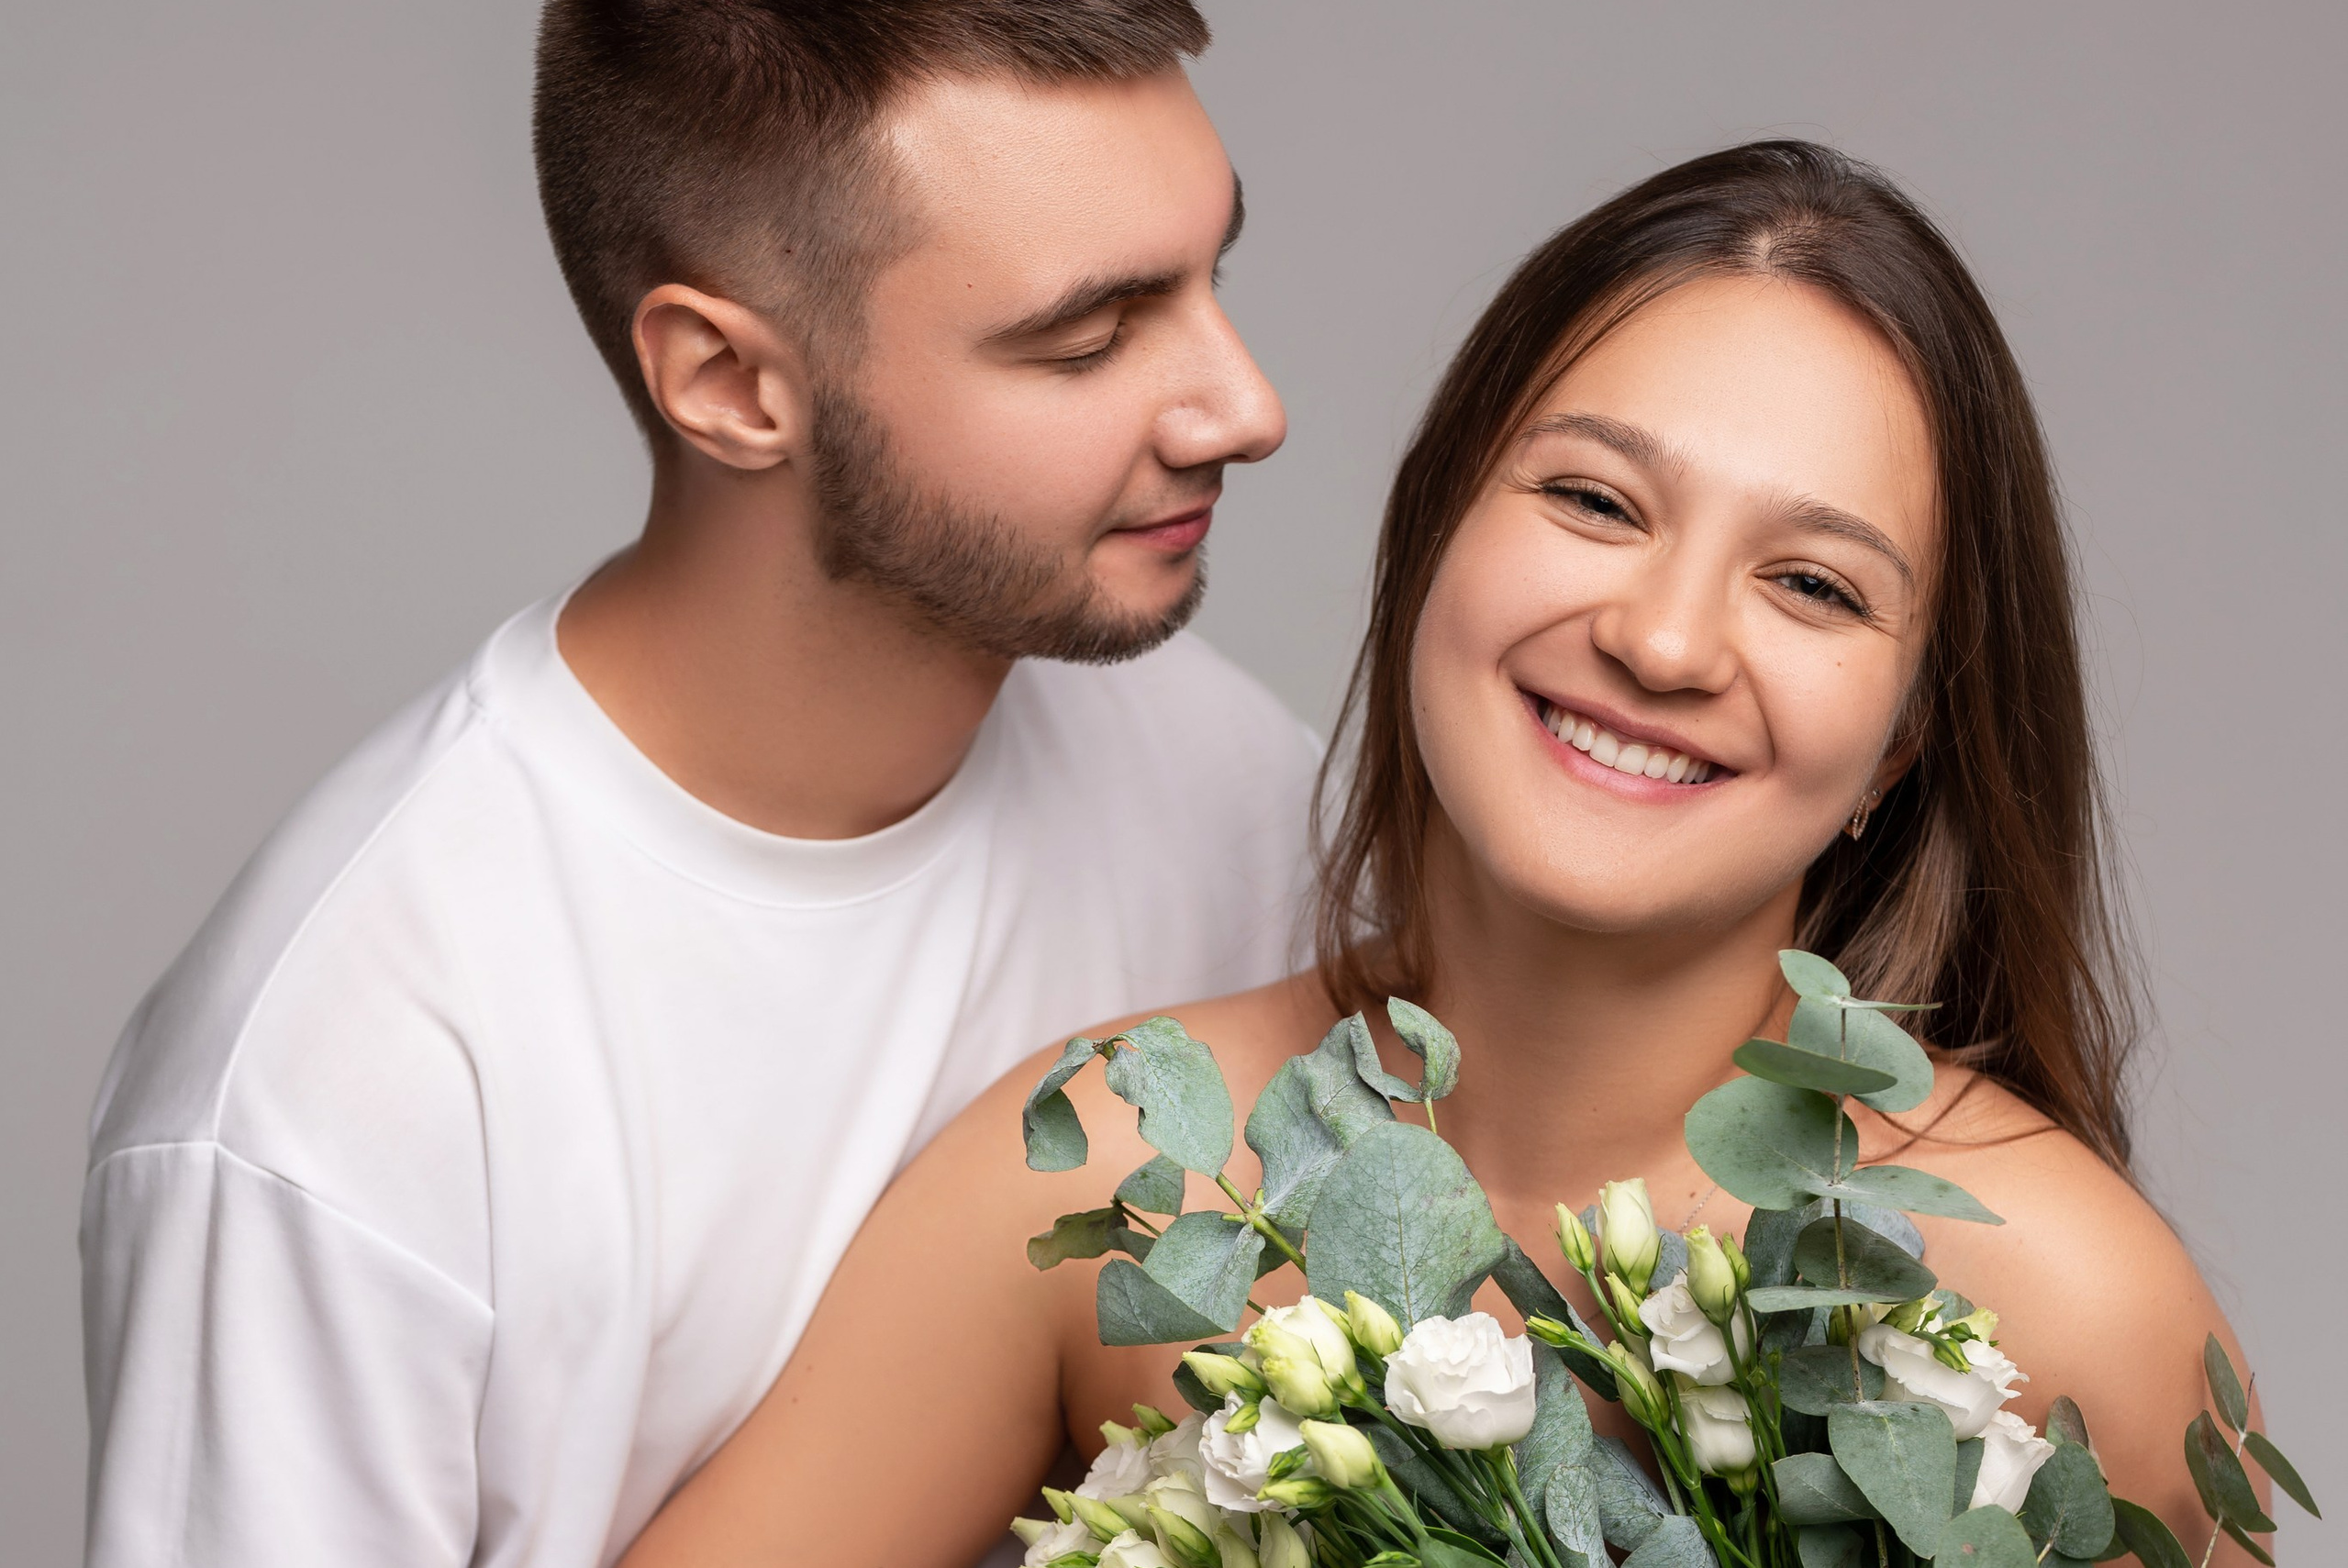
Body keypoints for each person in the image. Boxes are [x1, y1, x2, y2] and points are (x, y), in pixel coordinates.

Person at [616, 142, 2269, 1568]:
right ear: (1435, 536)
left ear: (1900, 745)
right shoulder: (1123, 1174)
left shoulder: (2068, 1309)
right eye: (1597, 501)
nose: (1666, 636)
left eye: (1814, 586)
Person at [79, 5, 1316, 1565]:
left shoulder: (1228, 776)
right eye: (1087, 337)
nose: (1246, 407)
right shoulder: (343, 1080)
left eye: (1216, 277)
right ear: (729, 381)